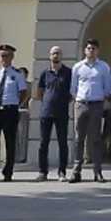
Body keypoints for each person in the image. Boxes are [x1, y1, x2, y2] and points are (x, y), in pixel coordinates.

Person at [0, 44, 28, 182]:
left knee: (10, 141)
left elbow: (23, 92)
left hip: (10, 110)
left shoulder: (17, 74)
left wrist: (15, 104)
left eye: (6, 55)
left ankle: (8, 172)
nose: (4, 58)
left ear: (12, 57)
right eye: (2, 55)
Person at [69, 39, 111, 183]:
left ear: (97, 50)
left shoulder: (103, 67)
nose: (91, 50)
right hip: (81, 104)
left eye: (93, 48)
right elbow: (73, 88)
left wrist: (100, 98)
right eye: (89, 48)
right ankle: (76, 171)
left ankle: (97, 171)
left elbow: (107, 87)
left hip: (97, 105)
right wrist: (79, 99)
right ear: (84, 50)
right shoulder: (78, 67)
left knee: (96, 139)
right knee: (78, 138)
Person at [36, 46, 73, 182]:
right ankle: (42, 172)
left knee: (62, 143)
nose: (55, 56)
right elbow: (39, 93)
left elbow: (72, 93)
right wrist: (48, 102)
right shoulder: (45, 73)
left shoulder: (68, 73)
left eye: (58, 53)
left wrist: (61, 102)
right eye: (53, 53)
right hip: (46, 113)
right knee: (43, 143)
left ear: (61, 56)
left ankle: (62, 172)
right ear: (50, 56)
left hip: (62, 113)